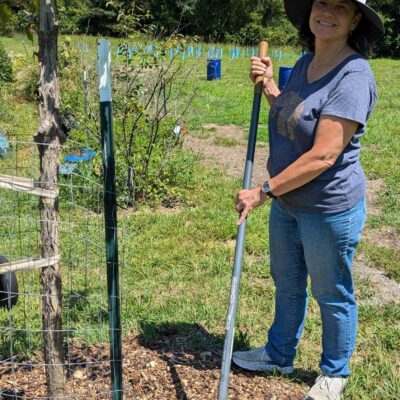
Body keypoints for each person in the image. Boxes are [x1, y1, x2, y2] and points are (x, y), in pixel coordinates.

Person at [232, 1, 384, 399]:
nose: (328, 11)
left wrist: (263, 190)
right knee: (288, 282)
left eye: (341, 6)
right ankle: (279, 353)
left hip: (328, 208)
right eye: (321, 2)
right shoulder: (305, 62)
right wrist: (269, 87)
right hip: (288, 203)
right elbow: (292, 116)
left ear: (355, 21)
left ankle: (334, 372)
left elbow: (324, 155)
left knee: (331, 291)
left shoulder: (354, 75)